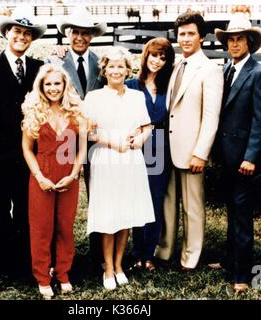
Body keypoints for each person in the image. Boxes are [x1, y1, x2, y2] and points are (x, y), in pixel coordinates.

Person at [154, 10, 223, 271]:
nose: (185, 38)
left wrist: (201, 153)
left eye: (190, 34)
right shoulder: (174, 67)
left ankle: (191, 256)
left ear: (201, 37)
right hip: (169, 148)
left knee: (192, 207)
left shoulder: (210, 70)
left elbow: (210, 117)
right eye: (181, 34)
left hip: (192, 151)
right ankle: (165, 250)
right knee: (168, 203)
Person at [82, 46, 155, 290]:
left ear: (127, 69)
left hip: (132, 159)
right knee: (108, 214)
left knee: (126, 213)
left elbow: (147, 126)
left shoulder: (136, 96)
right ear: (104, 70)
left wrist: (140, 140)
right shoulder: (94, 98)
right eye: (111, 66)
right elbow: (87, 131)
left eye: (120, 66)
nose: (116, 70)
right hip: (106, 158)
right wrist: (112, 141)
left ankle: (120, 264)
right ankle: (108, 268)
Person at [211, 13, 261, 292]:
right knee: (231, 209)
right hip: (226, 154)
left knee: (242, 213)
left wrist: (251, 157)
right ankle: (229, 259)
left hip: (244, 158)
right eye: (230, 39)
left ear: (249, 42)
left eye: (239, 39)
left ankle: (243, 275)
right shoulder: (226, 70)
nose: (234, 44)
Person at [0, 5, 46, 279]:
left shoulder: (38, 68)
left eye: (27, 33)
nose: (21, 37)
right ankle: (3, 261)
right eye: (17, 31)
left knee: (26, 205)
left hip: (29, 151)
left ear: (31, 39)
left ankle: (24, 258)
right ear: (7, 33)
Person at [49, 6, 108, 272]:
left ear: (92, 36)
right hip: (65, 140)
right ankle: (58, 255)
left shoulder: (101, 62)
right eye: (76, 33)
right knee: (61, 194)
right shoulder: (56, 61)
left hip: (96, 140)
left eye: (86, 33)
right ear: (68, 34)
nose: (80, 38)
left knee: (99, 194)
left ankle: (99, 251)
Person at [22, 64, 87, 299]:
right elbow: (27, 149)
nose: (52, 88)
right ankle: (42, 276)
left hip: (69, 174)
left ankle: (63, 273)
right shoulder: (34, 112)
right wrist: (39, 176)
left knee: (65, 227)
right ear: (41, 86)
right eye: (47, 84)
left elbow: (81, 149)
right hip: (42, 175)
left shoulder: (76, 112)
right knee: (41, 228)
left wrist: (74, 174)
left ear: (65, 85)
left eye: (57, 83)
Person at [125, 38, 175, 272]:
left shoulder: (169, 87)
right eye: (154, 55)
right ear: (145, 56)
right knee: (135, 196)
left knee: (155, 199)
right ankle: (136, 253)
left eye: (163, 58)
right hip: (137, 146)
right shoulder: (131, 85)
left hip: (161, 148)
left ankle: (149, 254)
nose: (157, 61)